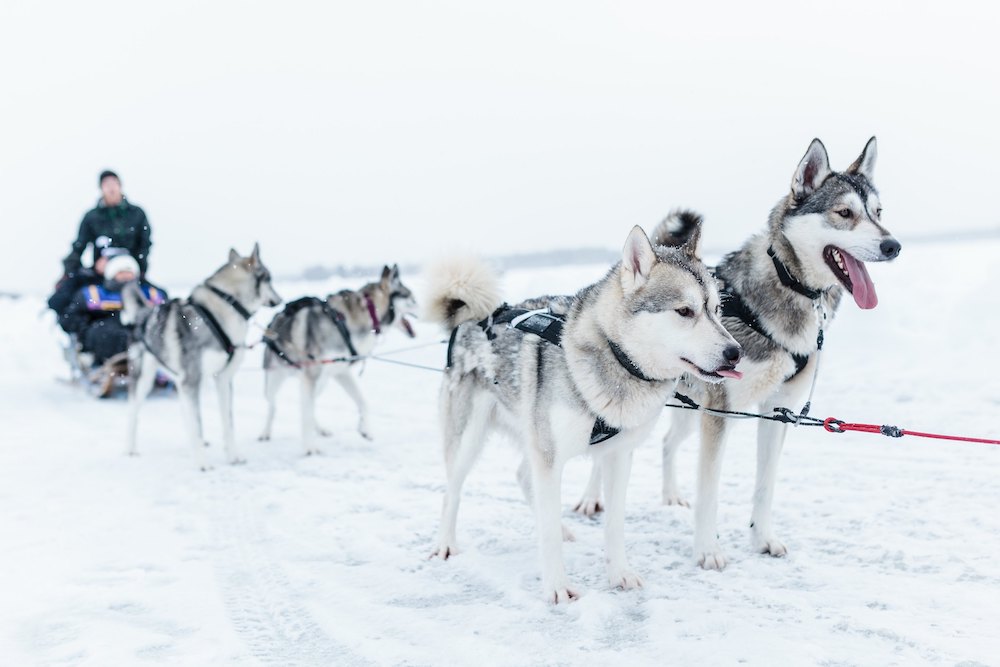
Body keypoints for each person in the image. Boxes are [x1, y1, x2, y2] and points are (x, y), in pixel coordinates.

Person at [62, 251, 167, 395]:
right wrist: (83, 329)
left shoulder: (150, 294)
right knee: (107, 333)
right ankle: (102, 364)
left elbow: (166, 314)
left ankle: (157, 364)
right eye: (121, 272)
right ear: (112, 273)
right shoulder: (92, 294)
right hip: (105, 329)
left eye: (129, 272)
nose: (126, 276)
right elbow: (71, 316)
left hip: (141, 331)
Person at [62, 170, 152, 278]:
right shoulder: (92, 217)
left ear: (120, 186)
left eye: (114, 183)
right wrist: (71, 271)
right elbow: (79, 246)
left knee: (158, 293)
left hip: (131, 269)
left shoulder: (137, 214)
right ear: (101, 188)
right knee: (67, 288)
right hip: (100, 273)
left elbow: (144, 244)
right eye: (106, 184)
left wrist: (137, 267)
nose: (111, 188)